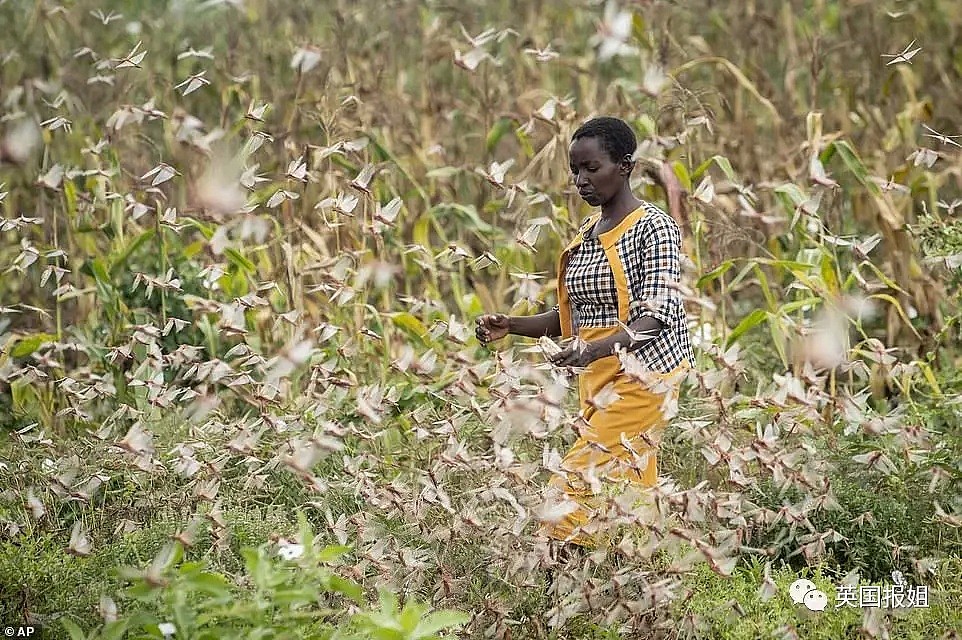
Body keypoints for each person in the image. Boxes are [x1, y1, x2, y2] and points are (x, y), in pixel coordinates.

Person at [475, 116, 695, 548]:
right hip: (600, 379)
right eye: (575, 171)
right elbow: (576, 315)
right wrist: (512, 325)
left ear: (625, 166)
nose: (580, 180)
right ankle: (639, 580)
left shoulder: (654, 227)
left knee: (571, 488)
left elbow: (656, 316)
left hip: (646, 376)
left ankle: (557, 588)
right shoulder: (587, 234)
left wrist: (591, 352)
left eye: (591, 169)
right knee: (625, 492)